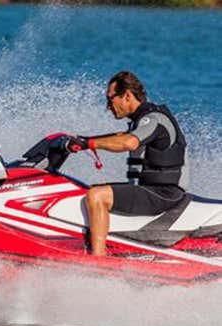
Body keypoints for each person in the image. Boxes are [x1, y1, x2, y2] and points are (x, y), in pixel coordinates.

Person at [66, 71, 187, 256]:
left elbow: (128, 142)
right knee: (84, 191)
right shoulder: (140, 122)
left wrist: (89, 143)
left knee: (97, 195)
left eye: (110, 99)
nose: (108, 106)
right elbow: (119, 137)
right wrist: (81, 141)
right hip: (152, 190)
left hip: (163, 193)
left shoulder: (153, 118)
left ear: (127, 95)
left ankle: (98, 259)